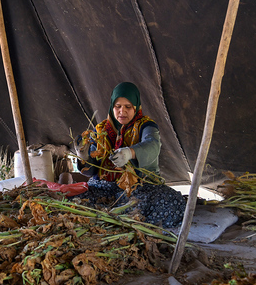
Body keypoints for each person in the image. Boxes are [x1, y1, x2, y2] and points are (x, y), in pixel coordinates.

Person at [72, 82, 186, 228]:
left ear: (136, 107)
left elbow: (153, 145)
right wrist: (84, 157)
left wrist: (129, 153)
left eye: (128, 107)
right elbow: (92, 171)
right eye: (118, 106)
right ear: (112, 106)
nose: (122, 111)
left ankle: (113, 217)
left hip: (139, 187)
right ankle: (113, 216)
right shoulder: (101, 131)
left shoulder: (146, 126)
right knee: (78, 200)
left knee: (170, 202)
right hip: (105, 188)